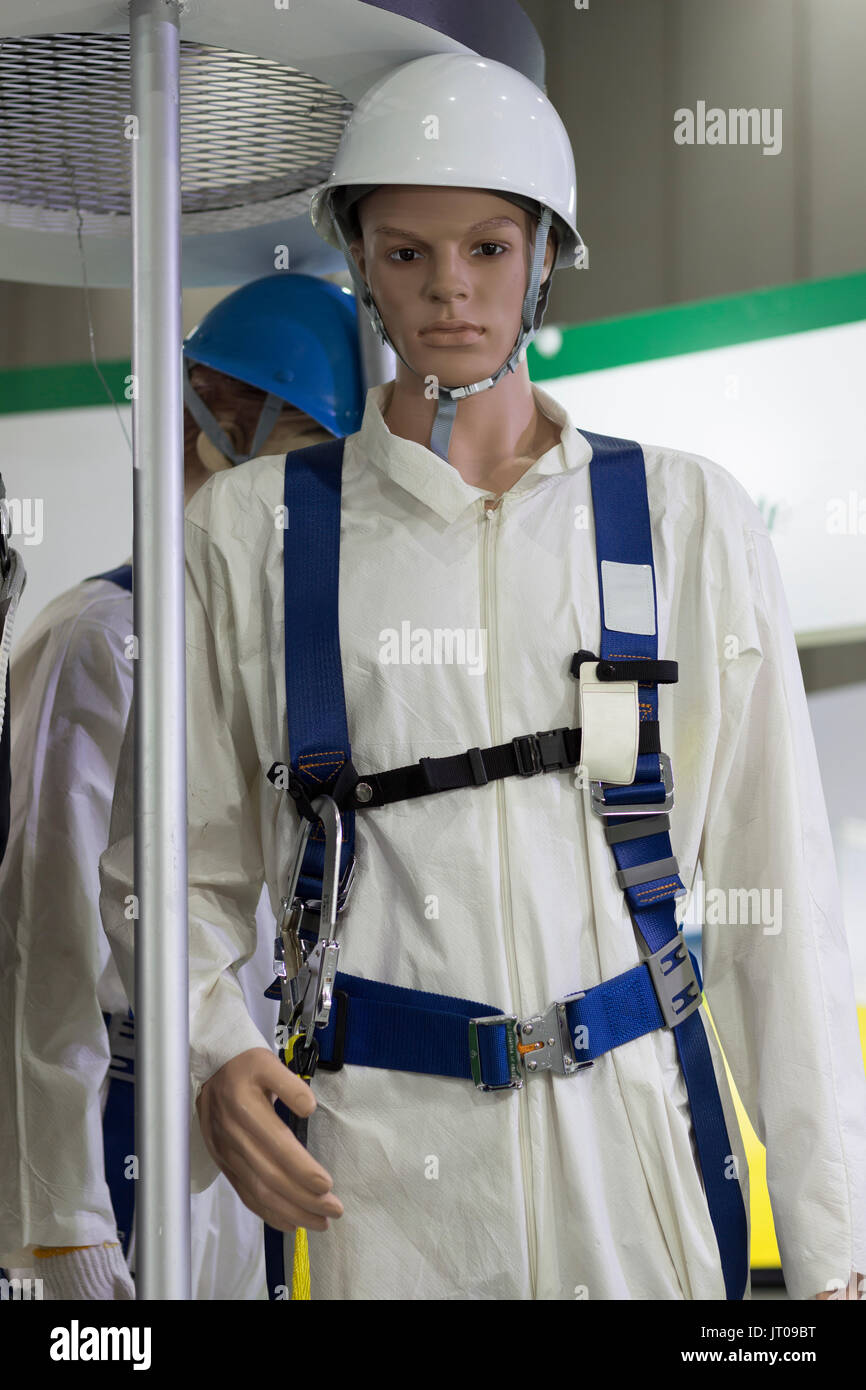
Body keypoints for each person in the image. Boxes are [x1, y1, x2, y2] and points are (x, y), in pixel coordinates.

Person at [100, 54, 866, 1301]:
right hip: (383, 1179)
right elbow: (162, 878)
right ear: (358, 263)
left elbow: (780, 891)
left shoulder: (685, 520)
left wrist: (834, 1251)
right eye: (405, 254)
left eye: (486, 249)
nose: (448, 290)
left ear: (544, 254)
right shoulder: (251, 537)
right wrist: (213, 1052)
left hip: (638, 1159)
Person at [0, 273, 363, 1300]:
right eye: (307, 457)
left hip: (235, 1125)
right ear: (219, 423)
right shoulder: (100, 639)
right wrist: (64, 1215)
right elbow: (45, 937)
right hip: (112, 1125)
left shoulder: (278, 647)